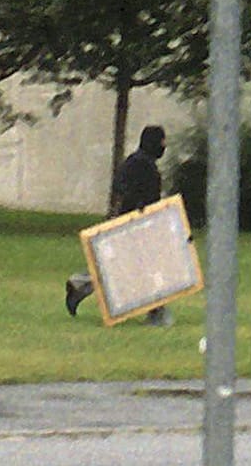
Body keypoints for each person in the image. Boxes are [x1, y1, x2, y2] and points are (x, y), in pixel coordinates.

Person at [65, 125, 172, 325]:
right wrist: (137, 204)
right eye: (162, 141)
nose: (164, 145)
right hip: (134, 226)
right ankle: (157, 313)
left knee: (123, 266)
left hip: (134, 224)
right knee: (146, 267)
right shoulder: (141, 164)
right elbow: (122, 186)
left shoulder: (138, 161)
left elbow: (120, 185)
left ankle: (80, 285)